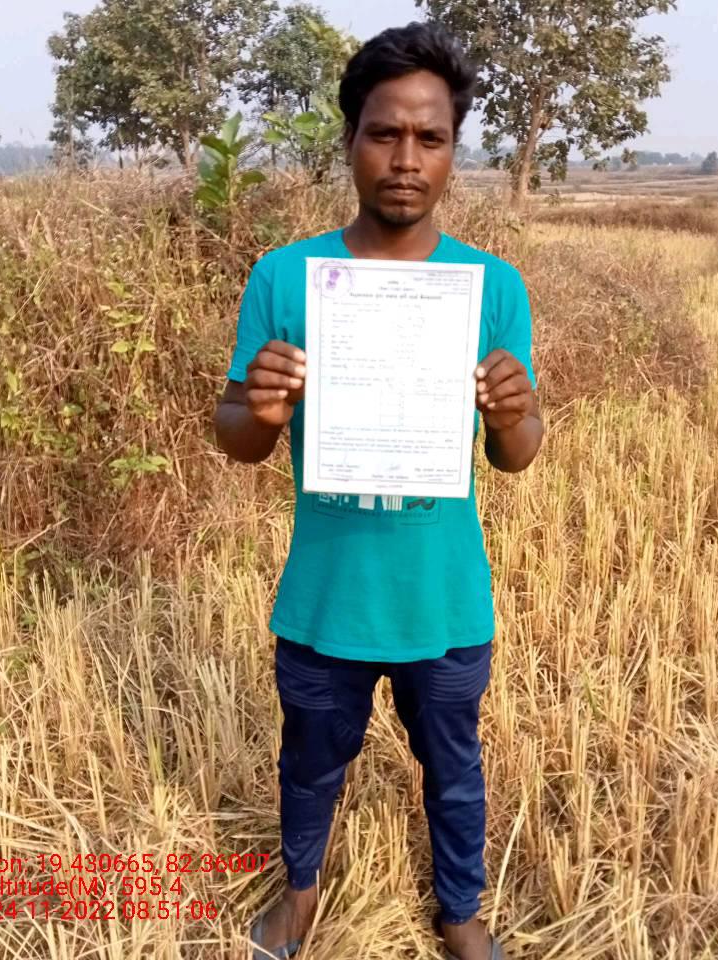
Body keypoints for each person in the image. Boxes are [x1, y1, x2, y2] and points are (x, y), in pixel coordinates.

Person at [214, 21, 543, 960]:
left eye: (430, 138)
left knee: (454, 768)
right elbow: (236, 436)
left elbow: (517, 455)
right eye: (384, 133)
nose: (406, 160)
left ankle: (459, 909)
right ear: (350, 139)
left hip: (444, 597)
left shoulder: (491, 288)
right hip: (328, 596)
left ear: (453, 151)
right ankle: (302, 892)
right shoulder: (287, 278)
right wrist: (262, 407)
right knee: (310, 762)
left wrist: (513, 412)